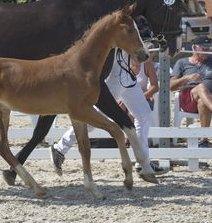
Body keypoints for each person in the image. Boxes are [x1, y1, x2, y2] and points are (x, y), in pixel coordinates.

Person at [50, 46, 169, 177]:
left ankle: (143, 163)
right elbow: (133, 56)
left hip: (128, 78)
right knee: (95, 117)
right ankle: (60, 148)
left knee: (143, 114)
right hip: (116, 77)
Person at [170, 35, 212, 147]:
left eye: (208, 48)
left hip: (210, 99)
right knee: (201, 87)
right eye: (204, 48)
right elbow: (171, 86)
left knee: (202, 101)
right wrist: (187, 78)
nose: (207, 51)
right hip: (188, 99)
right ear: (194, 48)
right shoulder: (182, 62)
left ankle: (203, 140)